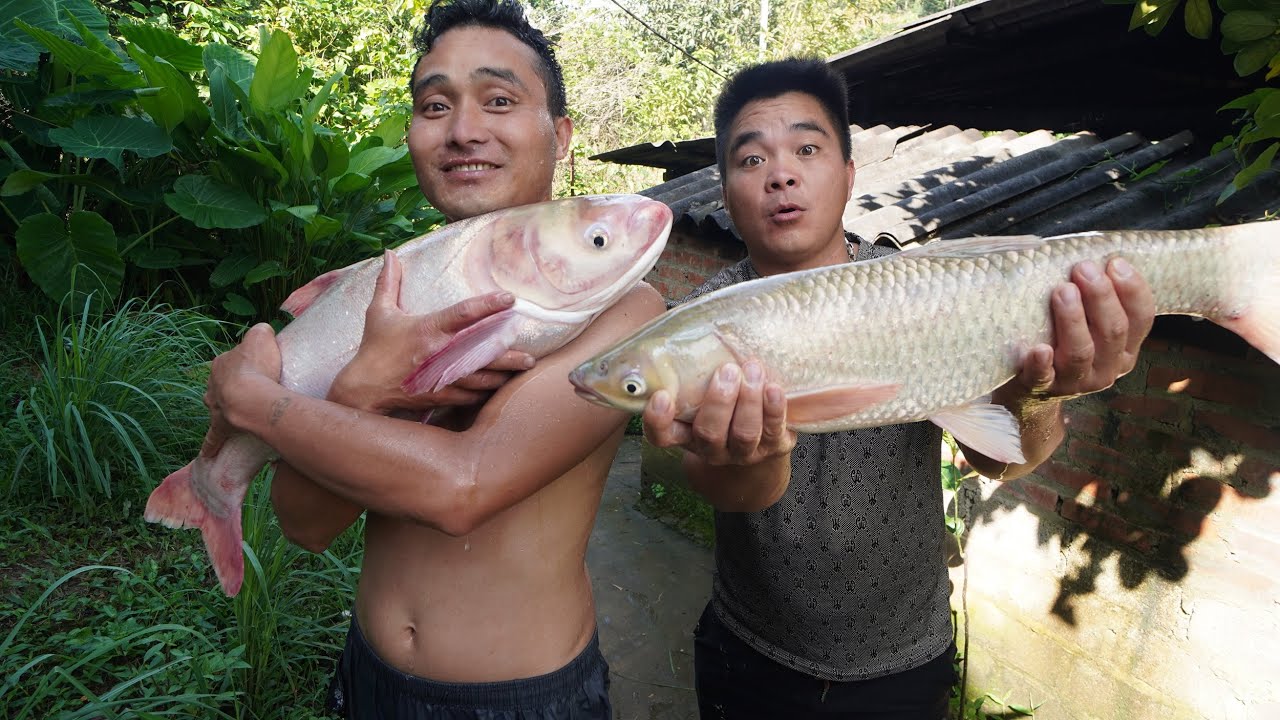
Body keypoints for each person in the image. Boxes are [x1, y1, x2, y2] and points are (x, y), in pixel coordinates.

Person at [642, 58, 1157, 720]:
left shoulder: (921, 290)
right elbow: (716, 480)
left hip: (906, 660)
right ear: (724, 188)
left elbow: (1005, 455)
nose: (781, 173)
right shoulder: (699, 327)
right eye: (750, 160)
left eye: (807, 148)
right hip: (750, 653)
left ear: (849, 175)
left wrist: (1041, 395)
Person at [197, 1, 665, 717]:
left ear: (560, 134)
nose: (463, 129)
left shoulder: (624, 309)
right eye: (434, 104)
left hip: (521, 697)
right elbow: (307, 526)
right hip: (368, 673)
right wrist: (360, 393)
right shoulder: (386, 286)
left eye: (499, 100)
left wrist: (255, 401)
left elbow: (462, 491)